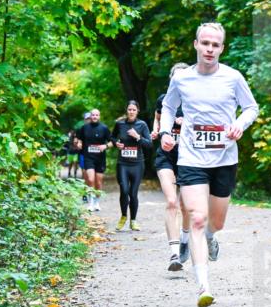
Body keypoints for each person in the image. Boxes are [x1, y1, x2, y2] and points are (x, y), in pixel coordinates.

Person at [160, 22, 258, 307]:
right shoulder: (182, 78)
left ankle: (212, 237)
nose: (209, 49)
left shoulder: (233, 77)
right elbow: (168, 107)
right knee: (197, 219)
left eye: (215, 45)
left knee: (216, 222)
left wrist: (239, 125)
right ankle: (203, 286)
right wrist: (166, 132)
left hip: (224, 159)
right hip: (191, 158)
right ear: (196, 45)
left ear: (221, 48)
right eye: (205, 43)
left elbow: (251, 107)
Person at [153, 62, 192, 272]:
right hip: (166, 157)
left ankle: (185, 240)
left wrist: (188, 124)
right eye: (175, 77)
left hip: (188, 158)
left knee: (186, 206)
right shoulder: (164, 100)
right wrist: (158, 132)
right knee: (171, 201)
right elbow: (157, 118)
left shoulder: (196, 102)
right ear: (171, 80)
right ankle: (174, 253)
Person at [112, 100, 152, 231]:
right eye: (129, 109)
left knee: (133, 194)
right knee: (124, 190)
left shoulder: (142, 125)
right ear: (126, 110)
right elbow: (112, 137)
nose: (131, 112)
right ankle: (123, 216)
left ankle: (133, 221)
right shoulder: (120, 124)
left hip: (137, 164)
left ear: (137, 111)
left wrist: (137, 136)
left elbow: (149, 144)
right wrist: (116, 143)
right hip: (123, 163)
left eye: (134, 110)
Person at [75, 109, 112, 211]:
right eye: (93, 115)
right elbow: (79, 139)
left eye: (96, 115)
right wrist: (79, 143)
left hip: (100, 158)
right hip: (88, 157)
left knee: (98, 182)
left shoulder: (104, 128)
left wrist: (105, 146)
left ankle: (97, 202)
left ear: (99, 116)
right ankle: (91, 202)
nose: (95, 117)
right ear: (90, 116)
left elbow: (112, 142)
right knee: (90, 179)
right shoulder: (84, 128)